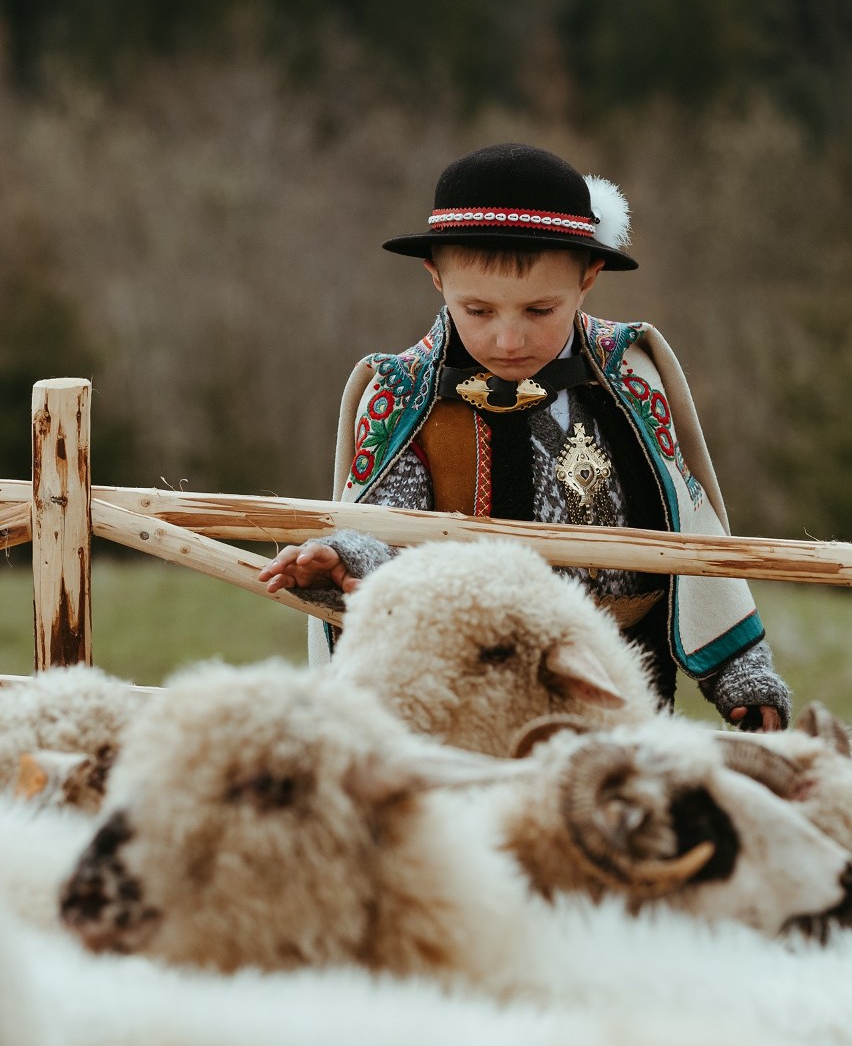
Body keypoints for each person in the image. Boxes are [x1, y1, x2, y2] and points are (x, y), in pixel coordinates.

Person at [260, 142, 790, 730]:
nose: (509, 340)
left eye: (539, 310)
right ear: (435, 276)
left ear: (589, 276)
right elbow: (384, 529)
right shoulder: (405, 395)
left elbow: (691, 527)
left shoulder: (632, 379)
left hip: (621, 683)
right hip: (474, 697)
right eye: (479, 311)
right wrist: (341, 558)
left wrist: (742, 672)